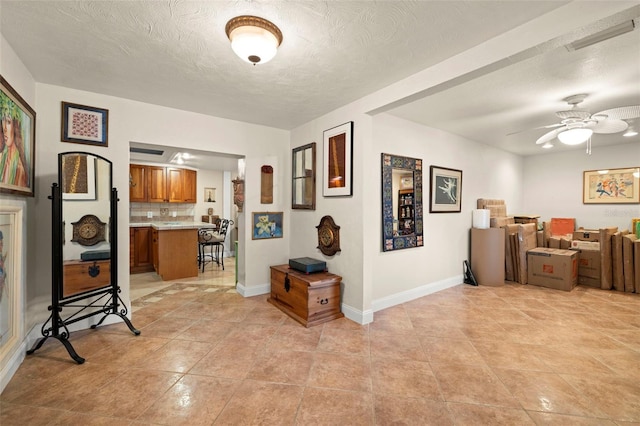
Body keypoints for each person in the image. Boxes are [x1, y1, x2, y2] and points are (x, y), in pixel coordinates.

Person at [0, 93, 28, 187]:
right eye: (3, 121)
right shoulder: (1, 158)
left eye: (8, 122)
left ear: (15, 126)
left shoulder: (20, 169)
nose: (4, 128)